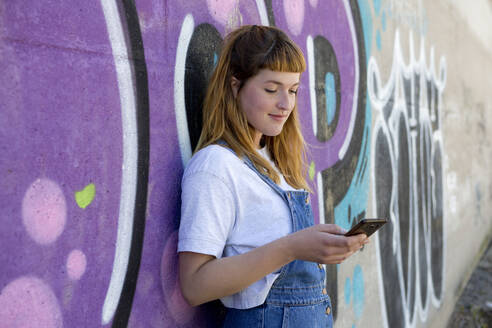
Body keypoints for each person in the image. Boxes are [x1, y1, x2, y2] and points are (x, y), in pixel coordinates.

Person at [177, 25, 368, 327]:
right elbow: (194, 285)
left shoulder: (276, 163)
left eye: (292, 90)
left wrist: (325, 244)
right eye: (271, 89)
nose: (286, 104)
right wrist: (292, 247)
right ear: (235, 86)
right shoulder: (215, 166)